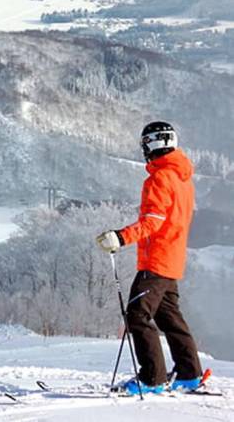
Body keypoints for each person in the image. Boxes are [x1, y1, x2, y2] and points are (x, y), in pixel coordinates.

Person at [96, 121, 203, 395]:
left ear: (152, 144)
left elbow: (152, 222)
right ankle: (189, 373)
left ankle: (151, 378)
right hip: (173, 260)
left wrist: (120, 237)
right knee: (170, 319)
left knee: (137, 315)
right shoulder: (183, 180)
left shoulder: (159, 179)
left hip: (156, 261)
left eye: (145, 144)